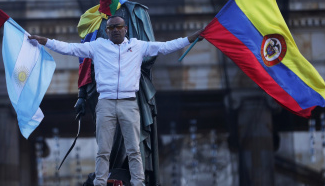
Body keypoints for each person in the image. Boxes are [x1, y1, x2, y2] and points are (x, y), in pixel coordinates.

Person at [29, 16, 203, 186]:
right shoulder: (98, 46)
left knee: (134, 148)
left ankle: (138, 182)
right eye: (111, 28)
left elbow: (166, 47)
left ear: (125, 29)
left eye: (119, 27)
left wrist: (192, 38)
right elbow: (70, 48)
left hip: (129, 103)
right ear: (106, 31)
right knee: (103, 149)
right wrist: (45, 41)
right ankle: (100, 182)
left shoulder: (137, 46)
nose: (115, 30)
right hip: (105, 103)